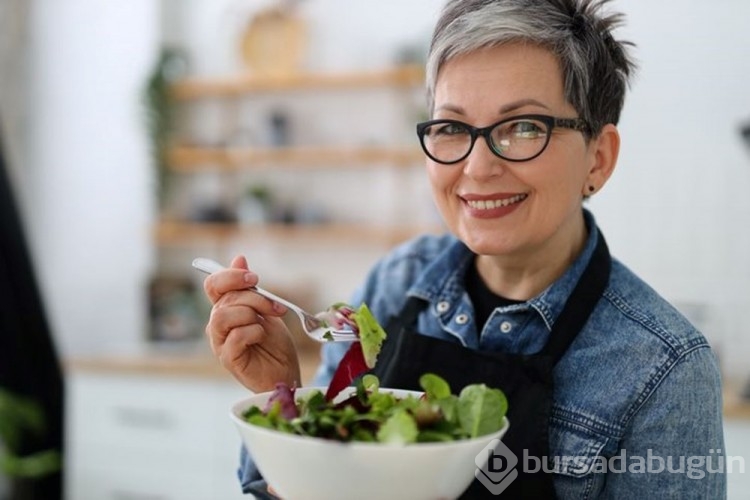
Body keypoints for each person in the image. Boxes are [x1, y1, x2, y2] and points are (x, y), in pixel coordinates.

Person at [201, 0, 726, 497]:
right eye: (453, 128)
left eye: (524, 128)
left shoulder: (663, 368)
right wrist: (283, 399)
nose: (477, 168)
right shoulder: (395, 283)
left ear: (598, 158)